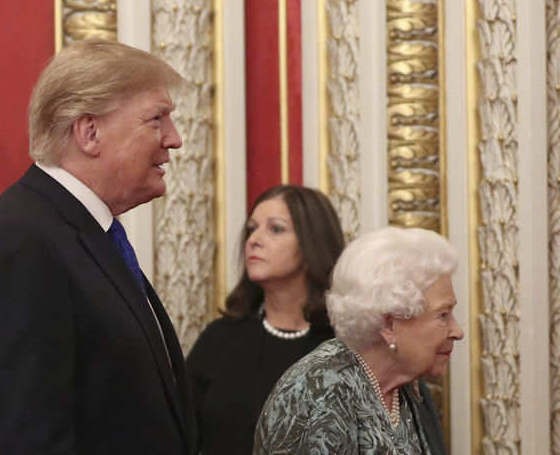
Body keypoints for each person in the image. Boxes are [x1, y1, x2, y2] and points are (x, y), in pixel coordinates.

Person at [0, 39, 196, 454]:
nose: (175, 139)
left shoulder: (78, 235)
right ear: (89, 132)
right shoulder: (18, 246)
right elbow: (24, 438)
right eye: (157, 119)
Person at [253, 226, 463, 455]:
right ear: (389, 325)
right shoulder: (319, 392)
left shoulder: (409, 387)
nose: (458, 331)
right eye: (443, 315)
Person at [186, 185, 346, 455]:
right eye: (252, 228)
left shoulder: (345, 347)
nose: (254, 240)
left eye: (276, 229)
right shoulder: (219, 339)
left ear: (312, 243)